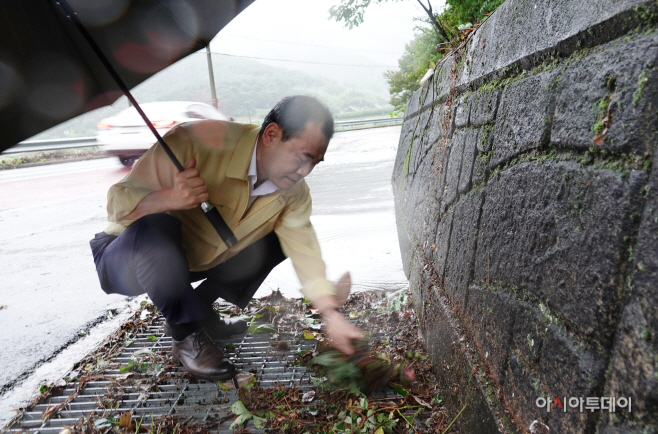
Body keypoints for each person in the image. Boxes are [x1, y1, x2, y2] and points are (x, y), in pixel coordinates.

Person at [89, 96, 362, 381]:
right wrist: (167, 198)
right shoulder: (194, 141)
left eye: (315, 162)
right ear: (271, 135)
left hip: (194, 258)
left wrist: (331, 314)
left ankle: (201, 313)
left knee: (279, 242)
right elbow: (117, 204)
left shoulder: (295, 192)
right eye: (302, 157)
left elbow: (304, 248)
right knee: (155, 225)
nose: (305, 171)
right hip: (126, 259)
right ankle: (185, 336)